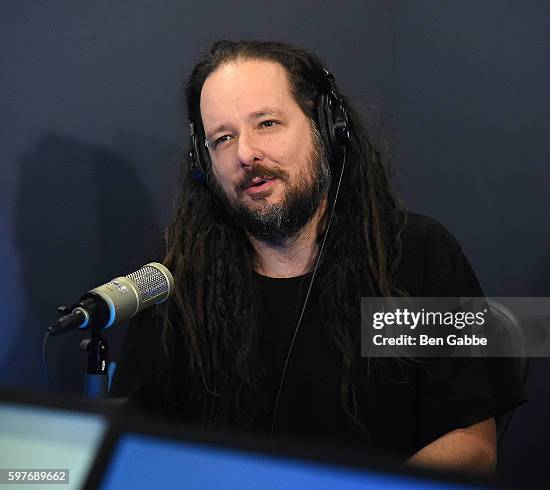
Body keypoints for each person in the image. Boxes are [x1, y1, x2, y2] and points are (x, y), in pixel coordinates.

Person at [110, 40, 526, 475]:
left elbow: (470, 444)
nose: (245, 153)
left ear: (326, 127)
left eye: (267, 123)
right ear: (204, 163)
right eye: (222, 138)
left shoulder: (412, 256)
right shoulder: (178, 284)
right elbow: (137, 452)